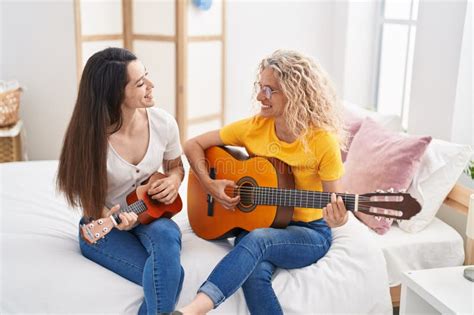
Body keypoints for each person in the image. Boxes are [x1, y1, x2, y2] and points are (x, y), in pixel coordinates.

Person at [180, 50, 349, 315]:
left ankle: (194, 309)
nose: (260, 97)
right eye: (261, 88)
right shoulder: (255, 127)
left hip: (309, 232)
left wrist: (338, 218)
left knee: (258, 241)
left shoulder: (322, 140)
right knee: (253, 271)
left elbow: (334, 205)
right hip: (261, 221)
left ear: (295, 93)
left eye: (270, 90)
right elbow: (193, 144)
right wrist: (209, 183)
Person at [57, 47, 185, 314]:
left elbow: (175, 167)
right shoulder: (89, 139)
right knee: (169, 279)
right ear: (116, 94)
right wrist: (114, 218)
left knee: (167, 235)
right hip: (104, 226)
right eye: (140, 83)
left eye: (146, 76)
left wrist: (174, 180)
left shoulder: (163, 123)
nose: (151, 85)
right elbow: (89, 204)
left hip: (150, 217)